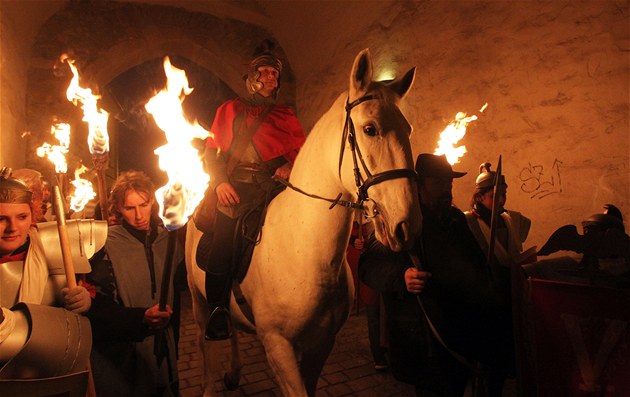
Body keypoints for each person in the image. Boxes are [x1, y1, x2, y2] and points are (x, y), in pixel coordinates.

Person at [359, 154, 513, 397]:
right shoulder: (401, 220)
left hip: (459, 332)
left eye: (449, 183)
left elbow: (474, 262)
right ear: (419, 185)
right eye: (439, 183)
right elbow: (369, 266)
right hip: (426, 337)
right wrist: (403, 277)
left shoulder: (454, 218)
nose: (447, 189)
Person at [201, 43, 306, 340]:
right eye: (265, 71)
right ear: (251, 76)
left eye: (275, 73)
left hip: (275, 185)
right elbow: (212, 153)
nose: (271, 77)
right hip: (237, 189)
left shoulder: (285, 114)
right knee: (225, 240)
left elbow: (301, 152)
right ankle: (218, 309)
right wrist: (220, 182)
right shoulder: (230, 109)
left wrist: (289, 164)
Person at [86, 170, 184, 396]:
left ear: (153, 202)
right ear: (118, 209)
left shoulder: (166, 241)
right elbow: (99, 308)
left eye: (144, 204)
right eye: (129, 208)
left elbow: (176, 298)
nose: (139, 215)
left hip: (165, 348)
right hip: (127, 353)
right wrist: (140, 318)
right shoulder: (105, 245)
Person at [0, 167, 92, 378]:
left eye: (22, 216)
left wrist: (83, 299)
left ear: (32, 215)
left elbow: (83, 293)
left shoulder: (54, 247)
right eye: (1, 219)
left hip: (48, 374)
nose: (13, 227)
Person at [346, 219, 388, 371]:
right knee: (374, 313)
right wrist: (354, 241)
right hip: (372, 268)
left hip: (388, 265)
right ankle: (379, 355)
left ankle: (388, 351)